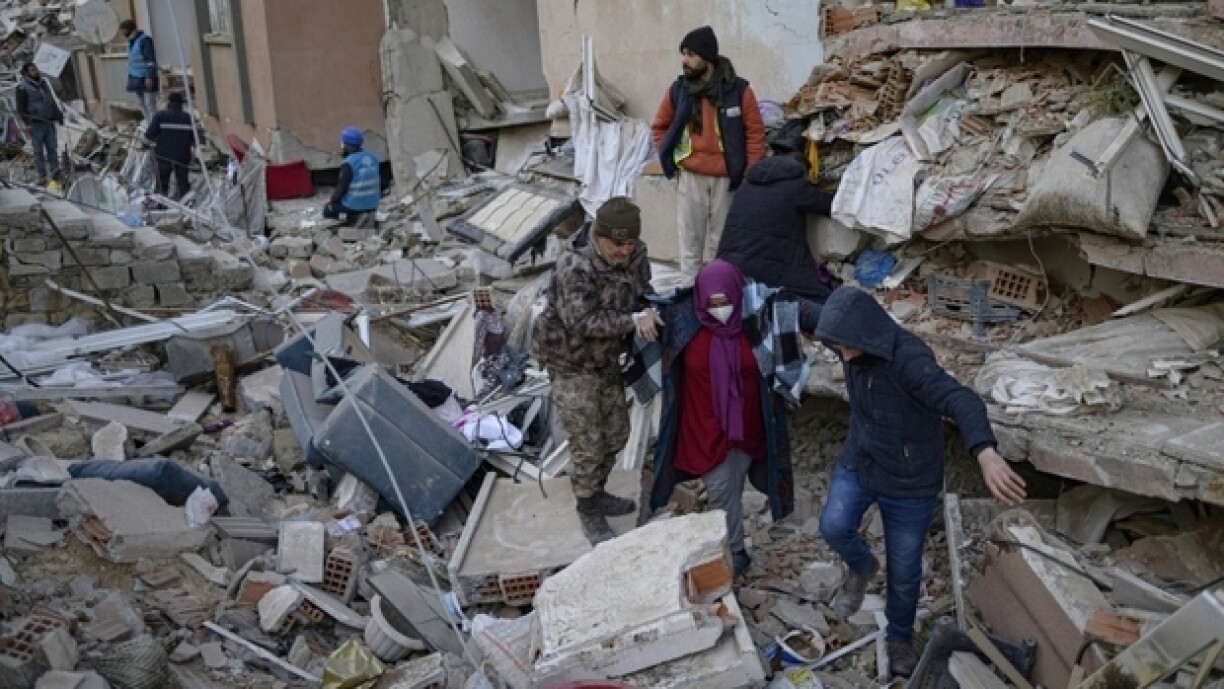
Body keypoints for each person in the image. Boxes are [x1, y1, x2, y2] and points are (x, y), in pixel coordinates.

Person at [814, 286, 1028, 677]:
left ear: (865, 336)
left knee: (905, 568)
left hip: (909, 482)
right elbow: (808, 312)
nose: (839, 354)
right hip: (861, 460)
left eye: (844, 346)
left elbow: (961, 399)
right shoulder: (848, 340)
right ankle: (862, 567)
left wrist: (985, 452)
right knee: (833, 525)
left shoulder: (908, 360)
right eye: (835, 344)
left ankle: (899, 640)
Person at [640, 259, 819, 576]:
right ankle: (736, 553)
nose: (720, 309)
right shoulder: (682, 320)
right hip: (705, 428)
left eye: (726, 302)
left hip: (749, 425)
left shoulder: (760, 316)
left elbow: (802, 313)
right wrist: (641, 319)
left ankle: (731, 546)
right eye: (713, 304)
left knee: (733, 489)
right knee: (721, 491)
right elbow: (644, 316)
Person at [533, 197, 662, 545]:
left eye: (629, 243)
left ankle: (597, 490)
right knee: (588, 443)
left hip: (606, 360)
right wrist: (632, 321)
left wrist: (655, 309)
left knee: (617, 434)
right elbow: (582, 321)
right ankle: (588, 508)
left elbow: (643, 292)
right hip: (571, 364)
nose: (623, 252)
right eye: (616, 244)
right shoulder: (573, 265)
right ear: (598, 237)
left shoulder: (636, 255)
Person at [651, 26, 766, 283]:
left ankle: (719, 296)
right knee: (689, 246)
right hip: (690, 176)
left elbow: (755, 134)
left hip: (727, 179)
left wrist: (749, 174)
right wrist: (672, 160)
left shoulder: (738, 90)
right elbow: (659, 127)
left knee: (722, 245)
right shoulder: (679, 90)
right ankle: (689, 299)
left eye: (690, 54)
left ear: (707, 56)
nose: (684, 60)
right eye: (683, 54)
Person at [716, 138, 838, 301]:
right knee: (820, 300)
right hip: (771, 268)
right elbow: (830, 205)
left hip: (729, 266)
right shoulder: (795, 186)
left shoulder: (747, 184)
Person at [15, 62, 63, 185]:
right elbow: (21, 109)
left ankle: (56, 173)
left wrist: (58, 115)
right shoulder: (22, 87)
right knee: (38, 152)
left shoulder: (43, 84)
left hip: (48, 122)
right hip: (36, 125)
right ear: (26, 73)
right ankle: (42, 176)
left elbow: (51, 101)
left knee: (52, 149)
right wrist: (28, 123)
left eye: (35, 69)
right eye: (32, 70)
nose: (35, 72)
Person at [324, 127, 381, 225]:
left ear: (345, 144)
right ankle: (366, 215)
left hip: (354, 207)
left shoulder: (349, 163)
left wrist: (332, 200)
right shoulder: (373, 157)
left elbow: (341, 188)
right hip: (373, 205)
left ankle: (354, 217)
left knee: (328, 210)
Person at [144, 92, 196, 199]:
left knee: (162, 184)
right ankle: (186, 206)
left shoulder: (160, 116)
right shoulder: (188, 118)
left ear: (169, 102)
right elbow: (195, 139)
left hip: (163, 155)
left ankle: (160, 205)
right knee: (183, 184)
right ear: (181, 104)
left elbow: (149, 135)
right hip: (182, 156)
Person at [120, 19, 158, 121]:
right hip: (135, 77)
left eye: (124, 31)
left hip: (146, 77)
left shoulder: (145, 40)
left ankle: (155, 128)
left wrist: (149, 77)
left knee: (150, 104)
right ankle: (149, 125)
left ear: (130, 30)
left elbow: (150, 60)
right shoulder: (131, 43)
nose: (123, 34)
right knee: (142, 104)